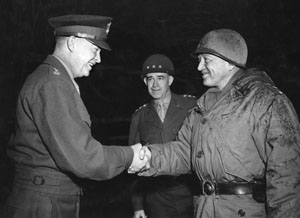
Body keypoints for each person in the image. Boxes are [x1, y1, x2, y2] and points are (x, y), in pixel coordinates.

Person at [136, 29, 300, 218]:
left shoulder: (266, 101)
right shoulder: (203, 107)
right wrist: (146, 157)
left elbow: (286, 176)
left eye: (206, 60)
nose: (199, 67)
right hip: (206, 210)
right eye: (199, 61)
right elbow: (184, 151)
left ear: (230, 63)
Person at [0, 14, 147, 218]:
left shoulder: (55, 80)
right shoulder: (53, 84)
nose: (99, 58)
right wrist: (130, 155)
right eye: (95, 49)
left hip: (48, 197)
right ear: (71, 43)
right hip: (44, 205)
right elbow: (84, 158)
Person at [128, 54, 197, 218]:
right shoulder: (139, 116)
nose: (155, 84)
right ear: (145, 82)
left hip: (192, 192)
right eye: (150, 79)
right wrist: (138, 206)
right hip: (158, 198)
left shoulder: (191, 106)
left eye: (160, 78)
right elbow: (134, 162)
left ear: (170, 80)